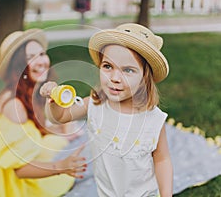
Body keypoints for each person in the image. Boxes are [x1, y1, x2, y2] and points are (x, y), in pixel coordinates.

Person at [0, 29, 87, 197]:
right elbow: (19, 169)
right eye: (30, 58)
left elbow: (31, 130)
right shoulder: (13, 105)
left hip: (12, 156)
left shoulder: (28, 93)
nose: (41, 61)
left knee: (64, 140)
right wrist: (62, 166)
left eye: (42, 54)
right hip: (4, 179)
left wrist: (60, 130)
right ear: (17, 66)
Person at [40, 23, 173, 197]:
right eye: (108, 66)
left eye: (128, 70)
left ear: (144, 78)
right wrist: (54, 100)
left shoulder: (153, 119)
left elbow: (162, 159)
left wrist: (166, 194)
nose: (115, 78)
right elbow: (61, 117)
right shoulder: (95, 105)